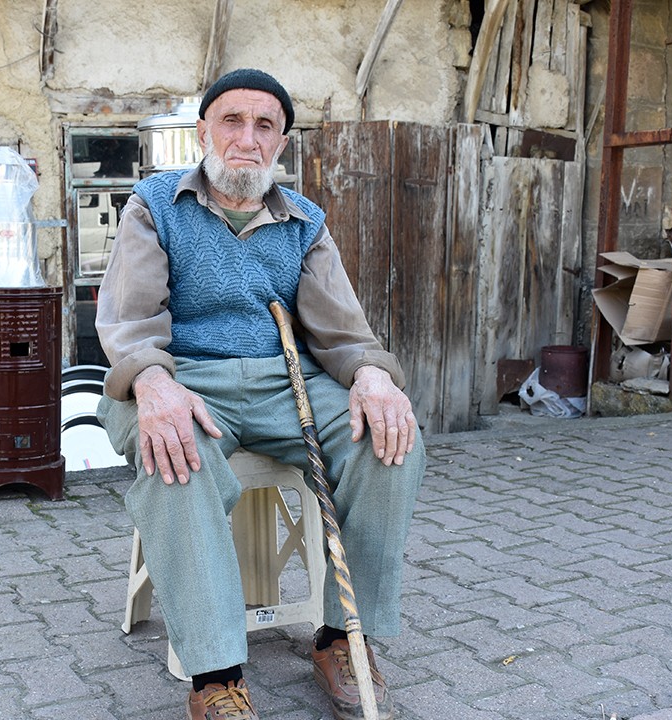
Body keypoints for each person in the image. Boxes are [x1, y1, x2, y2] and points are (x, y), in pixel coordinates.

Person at [95, 68, 425, 720]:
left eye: (265, 126)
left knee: (392, 444)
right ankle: (215, 676)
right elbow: (129, 324)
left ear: (279, 144)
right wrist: (155, 383)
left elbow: (343, 332)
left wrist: (373, 376)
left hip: (286, 382)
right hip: (176, 380)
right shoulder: (155, 203)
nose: (247, 138)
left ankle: (341, 637)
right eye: (232, 121)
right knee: (175, 458)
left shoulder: (302, 220)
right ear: (204, 131)